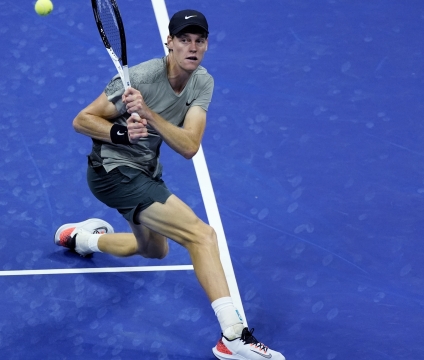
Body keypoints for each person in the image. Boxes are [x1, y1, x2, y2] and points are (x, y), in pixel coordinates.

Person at [54, 9, 285, 360]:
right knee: (201, 235)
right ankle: (233, 337)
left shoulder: (202, 82)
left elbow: (189, 145)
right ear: (169, 43)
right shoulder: (140, 78)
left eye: (199, 40)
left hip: (145, 170)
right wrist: (120, 131)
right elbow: (82, 120)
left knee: (153, 251)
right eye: (184, 40)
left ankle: (83, 239)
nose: (192, 47)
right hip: (112, 171)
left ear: (206, 45)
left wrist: (148, 114)